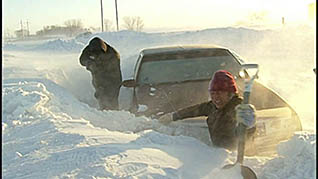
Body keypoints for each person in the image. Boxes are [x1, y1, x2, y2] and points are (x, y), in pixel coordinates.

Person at [158, 70, 256, 151]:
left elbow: (243, 135)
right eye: (213, 93)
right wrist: (173, 116)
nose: (216, 98)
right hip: (216, 154)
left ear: (230, 94)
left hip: (231, 157)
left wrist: (249, 127)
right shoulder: (213, 107)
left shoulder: (238, 108)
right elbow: (195, 110)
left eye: (220, 93)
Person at [79, 37, 122, 110]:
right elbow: (82, 60)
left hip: (113, 79)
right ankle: (103, 110)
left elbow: (112, 72)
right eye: (94, 54)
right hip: (97, 78)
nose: (97, 56)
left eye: (99, 54)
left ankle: (114, 111)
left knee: (111, 97)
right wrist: (89, 63)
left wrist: (97, 65)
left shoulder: (113, 55)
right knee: (101, 96)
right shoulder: (89, 49)